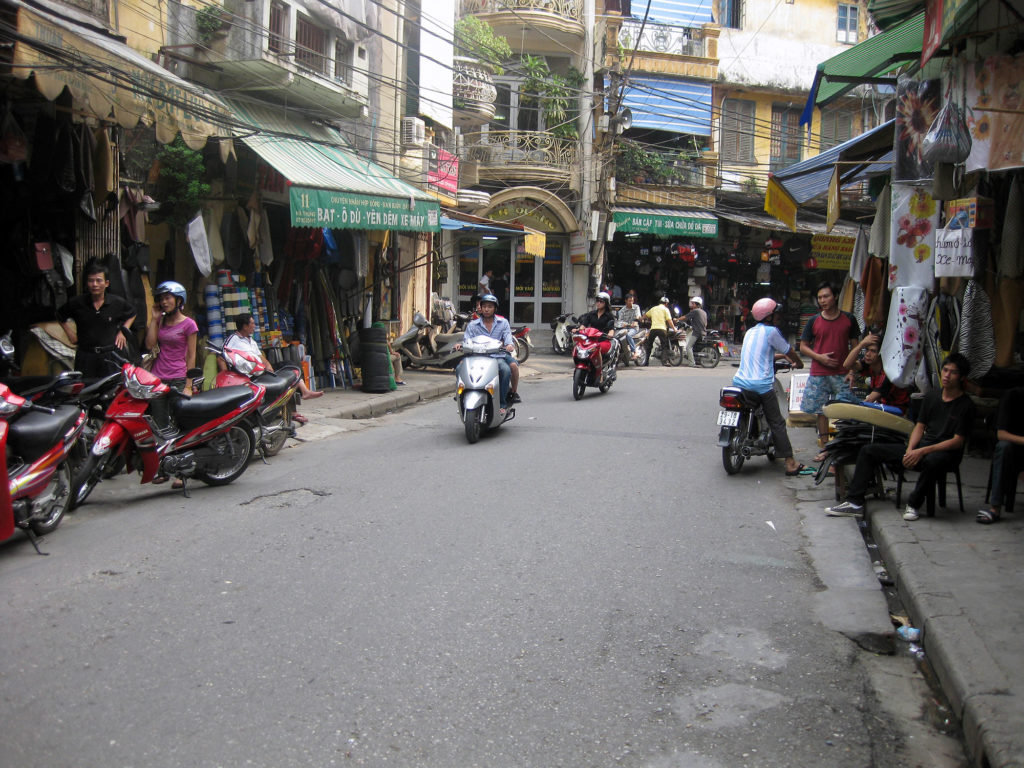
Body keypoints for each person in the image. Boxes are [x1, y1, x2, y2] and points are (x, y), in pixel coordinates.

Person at [826, 353, 976, 522]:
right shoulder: (933, 396)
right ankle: (854, 503)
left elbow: (957, 441)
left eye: (953, 372)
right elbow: (920, 426)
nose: (947, 375)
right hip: (922, 447)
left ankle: (913, 504)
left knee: (933, 461)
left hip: (946, 453)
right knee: (869, 451)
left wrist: (921, 451)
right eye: (945, 370)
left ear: (961, 377)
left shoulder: (966, 405)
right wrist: (911, 449)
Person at [732, 297, 808, 476]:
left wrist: (779, 356)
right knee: (777, 421)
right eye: (776, 314)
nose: (778, 317)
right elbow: (791, 351)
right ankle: (790, 463)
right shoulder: (772, 332)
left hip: (739, 383)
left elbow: (759, 356)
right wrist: (798, 363)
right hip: (761, 386)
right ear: (769, 316)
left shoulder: (750, 332)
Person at [800, 282, 860, 450]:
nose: (822, 300)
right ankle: (825, 448)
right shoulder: (814, 320)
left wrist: (852, 371)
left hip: (842, 373)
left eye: (826, 296)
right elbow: (803, 346)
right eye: (819, 298)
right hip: (819, 372)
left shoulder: (849, 319)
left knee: (845, 410)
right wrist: (820, 357)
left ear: (835, 297)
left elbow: (856, 346)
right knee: (821, 411)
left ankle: (842, 446)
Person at [57, 259, 136, 378]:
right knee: (86, 391)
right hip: (86, 356)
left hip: (110, 356)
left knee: (110, 391)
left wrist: (122, 331)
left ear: (107, 283)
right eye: (91, 281)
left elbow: (132, 313)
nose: (94, 284)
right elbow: (59, 315)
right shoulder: (78, 303)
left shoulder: (116, 303)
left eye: (99, 280)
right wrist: (70, 334)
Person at [222, 313, 327, 400]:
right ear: (245, 326)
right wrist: (227, 375)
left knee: (292, 366)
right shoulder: (233, 339)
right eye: (252, 324)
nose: (254, 326)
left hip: (262, 370)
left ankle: (304, 392)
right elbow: (221, 356)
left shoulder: (251, 340)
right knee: (286, 375)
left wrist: (268, 365)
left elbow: (260, 357)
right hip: (251, 374)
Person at [459, 294, 516, 413]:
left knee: (505, 370)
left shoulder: (503, 322)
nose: (486, 309)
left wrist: (509, 345)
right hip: (477, 357)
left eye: (490, 306)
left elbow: (508, 338)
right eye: (484, 306)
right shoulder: (473, 325)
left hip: (496, 357)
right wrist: (461, 345)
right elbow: (467, 340)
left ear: (495, 308)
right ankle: (461, 396)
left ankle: (502, 403)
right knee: (459, 368)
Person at [977, 386, 1024, 524]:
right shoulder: (1012, 396)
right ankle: (995, 508)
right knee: (1003, 448)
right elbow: (1001, 435)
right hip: (1014, 449)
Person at [146, 281, 198, 396]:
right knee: (158, 414)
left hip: (178, 378)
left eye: (167, 298)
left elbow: (191, 356)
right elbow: (149, 345)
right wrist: (154, 319)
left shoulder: (189, 324)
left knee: (177, 413)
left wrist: (189, 386)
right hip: (157, 377)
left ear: (179, 300)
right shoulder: (159, 321)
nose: (164, 302)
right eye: (161, 299)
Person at [842, 330, 909, 415]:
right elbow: (846, 365)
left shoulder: (888, 373)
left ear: (881, 354)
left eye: (873, 351)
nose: (867, 354)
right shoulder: (870, 364)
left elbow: (870, 400)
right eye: (867, 350)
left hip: (898, 414)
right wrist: (861, 344)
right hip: (884, 410)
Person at [577, 291, 616, 360]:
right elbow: (584, 325)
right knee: (578, 347)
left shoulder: (609, 316)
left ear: (606, 303)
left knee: (597, 348)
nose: (598, 303)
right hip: (591, 339)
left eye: (601, 301)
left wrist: (610, 334)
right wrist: (579, 330)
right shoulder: (591, 314)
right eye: (597, 301)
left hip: (603, 340)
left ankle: (599, 365)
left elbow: (611, 329)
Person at [642, 296, 676, 366]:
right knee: (664, 346)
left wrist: (642, 320)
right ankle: (664, 362)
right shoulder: (666, 309)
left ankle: (646, 361)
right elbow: (669, 320)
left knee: (649, 346)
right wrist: (674, 328)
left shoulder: (653, 308)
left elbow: (645, 316)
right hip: (662, 329)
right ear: (666, 303)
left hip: (653, 329)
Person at [682, 296, 708, 367]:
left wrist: (677, 319)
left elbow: (685, 317)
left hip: (697, 332)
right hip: (703, 332)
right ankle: (696, 360)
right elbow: (705, 323)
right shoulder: (704, 312)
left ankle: (691, 363)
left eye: (693, 304)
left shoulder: (695, 311)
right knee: (694, 346)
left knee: (688, 347)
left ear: (697, 304)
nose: (692, 305)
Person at [616, 292, 642, 359]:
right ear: (626, 301)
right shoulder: (622, 310)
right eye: (629, 301)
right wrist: (625, 324)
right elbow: (619, 321)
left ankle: (634, 352)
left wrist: (636, 321)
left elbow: (637, 316)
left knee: (629, 335)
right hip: (624, 328)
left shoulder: (636, 307)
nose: (631, 302)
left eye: (632, 301)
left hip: (634, 328)